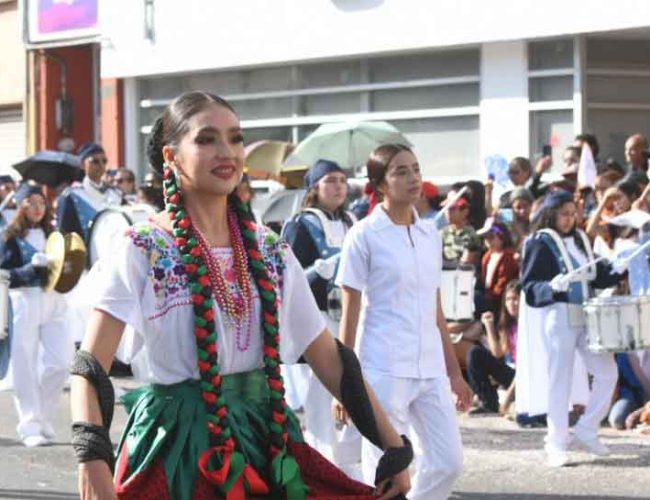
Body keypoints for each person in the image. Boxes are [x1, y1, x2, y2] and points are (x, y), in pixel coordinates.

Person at [70, 91, 411, 499]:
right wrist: (92, 457)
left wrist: (393, 447)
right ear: (171, 157)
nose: (226, 151)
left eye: (234, 138)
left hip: (264, 443)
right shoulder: (141, 248)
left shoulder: (270, 251)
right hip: (178, 451)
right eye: (206, 139)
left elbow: (329, 357)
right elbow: (90, 366)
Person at [336, 143, 471, 499]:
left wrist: (454, 372)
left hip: (429, 368)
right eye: (400, 171)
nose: (413, 178)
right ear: (379, 184)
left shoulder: (430, 234)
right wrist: (345, 381)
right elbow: (350, 310)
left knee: (448, 462)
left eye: (416, 169)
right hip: (382, 366)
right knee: (384, 470)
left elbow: (436, 309)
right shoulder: (363, 235)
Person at [519, 190, 626, 467]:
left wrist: (616, 269)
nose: (570, 219)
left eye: (572, 213)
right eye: (564, 214)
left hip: (587, 315)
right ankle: (555, 442)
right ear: (551, 214)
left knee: (607, 372)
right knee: (560, 380)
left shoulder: (580, 240)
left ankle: (587, 428)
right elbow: (529, 287)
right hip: (559, 315)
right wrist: (551, 287)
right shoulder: (539, 242)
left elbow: (596, 276)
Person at [282, 158, 360, 477]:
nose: (338, 186)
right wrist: (316, 271)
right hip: (318, 316)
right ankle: (322, 461)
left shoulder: (355, 221)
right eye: (330, 180)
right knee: (322, 393)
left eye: (342, 180)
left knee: (354, 387)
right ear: (314, 187)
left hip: (351, 315)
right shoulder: (300, 224)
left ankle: (351, 461)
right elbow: (286, 275)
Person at [0, 182, 71, 447]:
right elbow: (4, 275)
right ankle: (30, 424)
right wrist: (30, 269)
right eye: (31, 202)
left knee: (61, 362)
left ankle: (44, 416)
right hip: (23, 301)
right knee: (24, 365)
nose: (37, 208)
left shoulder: (55, 235)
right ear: (19, 205)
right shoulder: (9, 237)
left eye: (41, 202)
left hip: (54, 301)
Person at [467, 280, 520, 415]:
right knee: (475, 354)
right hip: (511, 373)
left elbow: (525, 368)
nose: (511, 303)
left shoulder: (527, 326)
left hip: (525, 377)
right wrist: (489, 326)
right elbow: (498, 353)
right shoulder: (508, 325)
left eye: (515, 299)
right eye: (508, 299)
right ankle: (488, 401)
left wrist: (508, 396)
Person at [56, 143, 123, 242]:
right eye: (95, 161)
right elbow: (65, 234)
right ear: (82, 164)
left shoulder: (116, 194)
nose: (101, 165)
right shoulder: (71, 196)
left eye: (104, 161)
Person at [478, 219, 519, 314]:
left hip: (500, 301)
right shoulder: (487, 256)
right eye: (485, 238)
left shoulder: (508, 257)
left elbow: (503, 284)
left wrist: (488, 298)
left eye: (491, 237)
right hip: (488, 296)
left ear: (502, 237)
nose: (488, 241)